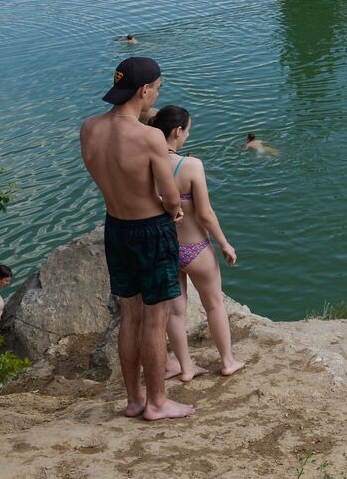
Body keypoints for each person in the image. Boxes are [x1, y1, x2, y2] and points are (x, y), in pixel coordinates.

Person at [79, 56, 194, 421]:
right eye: (157, 89)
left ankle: (134, 399)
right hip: (151, 230)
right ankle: (158, 403)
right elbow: (171, 195)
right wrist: (172, 209)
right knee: (155, 319)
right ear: (144, 90)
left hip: (116, 226)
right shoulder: (149, 137)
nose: (157, 95)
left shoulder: (89, 128)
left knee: (130, 317)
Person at [150, 106, 243, 380]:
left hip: (167, 249)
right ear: (178, 131)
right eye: (188, 130)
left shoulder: (147, 164)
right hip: (196, 249)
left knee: (176, 312)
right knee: (214, 303)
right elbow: (205, 214)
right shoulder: (190, 166)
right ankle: (227, 361)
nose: (188, 134)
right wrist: (225, 244)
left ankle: (186, 368)